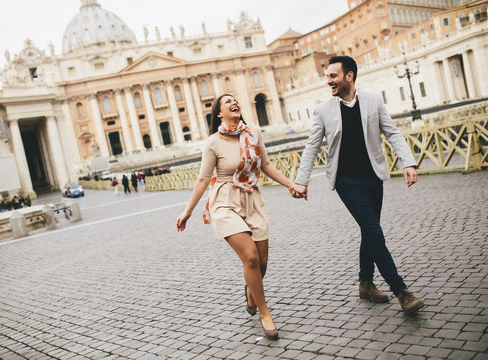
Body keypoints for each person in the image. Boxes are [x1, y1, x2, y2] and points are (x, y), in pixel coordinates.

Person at [290, 56, 425, 315]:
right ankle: (402, 292)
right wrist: (301, 181)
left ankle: (365, 283)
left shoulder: (374, 101)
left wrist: (408, 162)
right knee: (375, 232)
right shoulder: (323, 109)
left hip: (373, 177)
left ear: (349, 76)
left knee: (369, 231)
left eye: (333, 76)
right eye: (327, 76)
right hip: (346, 181)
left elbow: (392, 132)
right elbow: (312, 146)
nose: (328, 81)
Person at [176, 94, 295, 339]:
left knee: (261, 264)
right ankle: (264, 312)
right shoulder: (213, 142)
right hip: (225, 202)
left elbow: (266, 165)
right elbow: (202, 179)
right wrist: (188, 211)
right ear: (219, 113)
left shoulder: (253, 133)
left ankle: (252, 291)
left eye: (235, 99)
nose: (234, 102)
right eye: (227, 101)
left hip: (253, 200)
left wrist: (290, 185)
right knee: (250, 257)